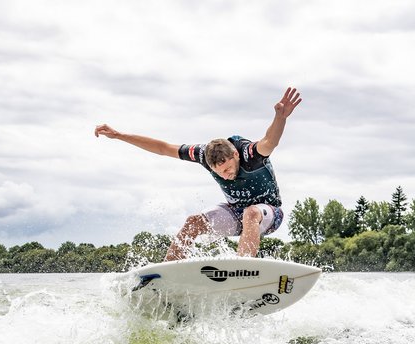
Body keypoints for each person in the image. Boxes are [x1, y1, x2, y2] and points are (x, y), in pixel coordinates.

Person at [94, 87, 302, 260]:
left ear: (235, 156)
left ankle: (243, 268)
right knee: (193, 222)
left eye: (228, 169)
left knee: (251, 212)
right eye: (218, 173)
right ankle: (167, 273)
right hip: (234, 212)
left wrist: (280, 117)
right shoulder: (202, 154)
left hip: (268, 215)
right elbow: (163, 147)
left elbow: (270, 141)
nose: (225, 176)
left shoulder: (249, 154)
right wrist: (119, 135)